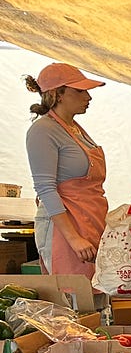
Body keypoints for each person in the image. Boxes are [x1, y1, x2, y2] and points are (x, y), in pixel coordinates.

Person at [23, 63, 107, 278]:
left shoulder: (76, 129)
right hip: (64, 227)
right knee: (74, 297)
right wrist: (73, 238)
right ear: (57, 94)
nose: (88, 97)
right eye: (79, 90)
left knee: (97, 296)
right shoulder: (43, 130)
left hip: (91, 217)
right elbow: (45, 188)